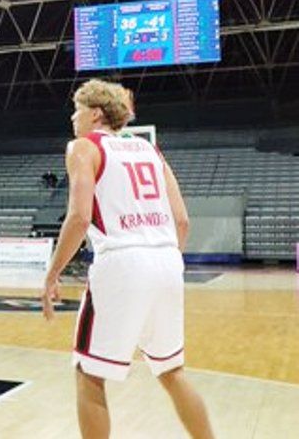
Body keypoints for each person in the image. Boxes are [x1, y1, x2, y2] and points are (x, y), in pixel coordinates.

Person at [41, 79, 213, 439]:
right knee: (171, 372)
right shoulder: (150, 150)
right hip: (167, 259)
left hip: (121, 262)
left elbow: (78, 217)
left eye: (77, 109)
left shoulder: (82, 148)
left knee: (88, 373)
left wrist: (52, 273)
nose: (72, 117)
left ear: (95, 114)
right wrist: (161, 260)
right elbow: (182, 220)